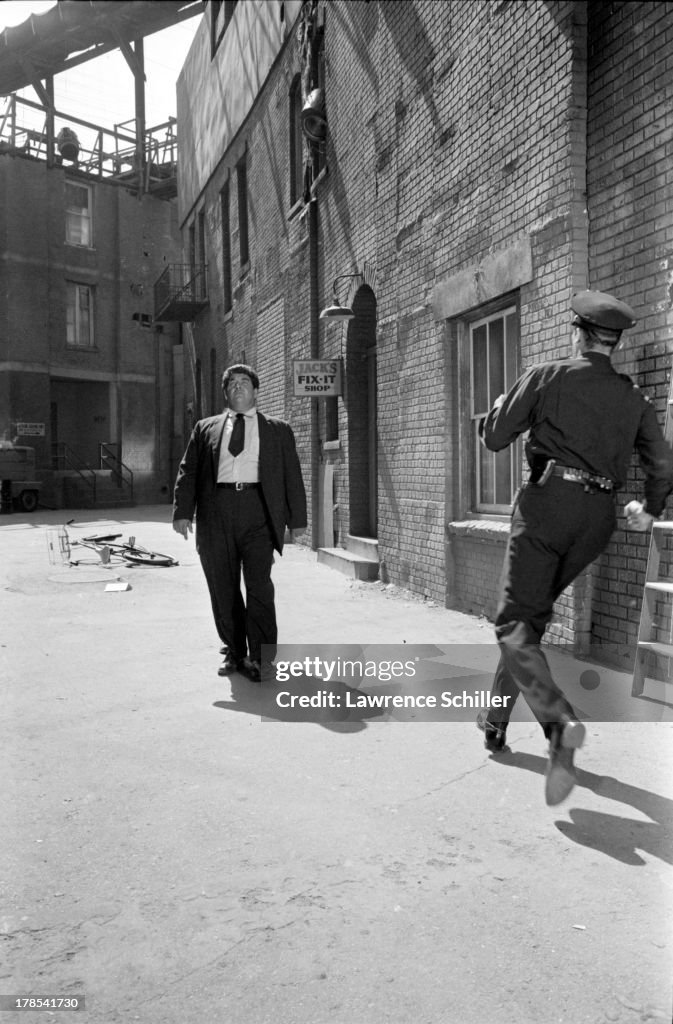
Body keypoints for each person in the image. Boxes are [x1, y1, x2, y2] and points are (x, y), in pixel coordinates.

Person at [477, 290, 673, 805]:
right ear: (613, 342)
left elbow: (496, 438)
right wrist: (650, 508)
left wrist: (497, 410)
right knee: (527, 621)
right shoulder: (633, 398)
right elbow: (663, 464)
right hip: (596, 522)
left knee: (512, 624)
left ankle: (558, 720)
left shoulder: (547, 375)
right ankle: (495, 722)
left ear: (577, 333)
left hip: (547, 507)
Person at [173, 364, 307, 681]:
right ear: (226, 392)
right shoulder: (205, 428)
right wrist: (182, 510)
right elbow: (188, 471)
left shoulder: (278, 429)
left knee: (260, 585)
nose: (238, 387)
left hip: (258, 511)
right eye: (232, 383)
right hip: (216, 512)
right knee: (223, 585)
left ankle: (261, 656)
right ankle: (234, 651)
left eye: (244, 382)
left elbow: (292, 476)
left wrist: (297, 520)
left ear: (256, 391)